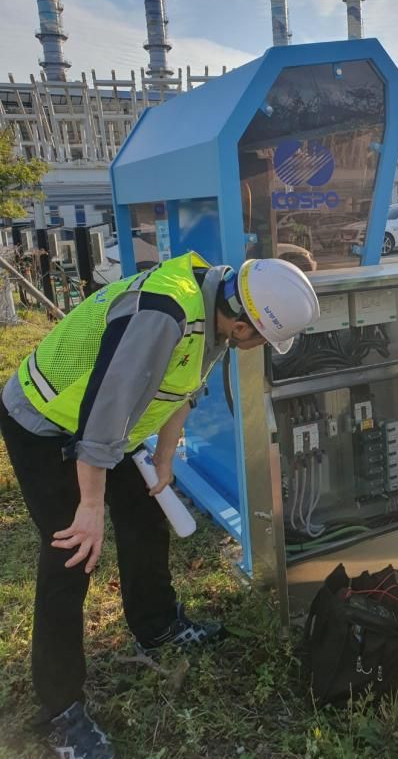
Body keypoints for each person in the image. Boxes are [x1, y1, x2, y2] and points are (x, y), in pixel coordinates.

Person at [0, 251, 319, 759]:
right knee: (71, 553)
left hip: (105, 426)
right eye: (260, 337)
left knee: (146, 518)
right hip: (43, 420)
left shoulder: (217, 303)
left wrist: (165, 459)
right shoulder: (164, 313)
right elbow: (102, 415)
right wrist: (89, 505)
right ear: (242, 327)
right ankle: (60, 711)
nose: (257, 346)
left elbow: (182, 391)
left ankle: (157, 626)